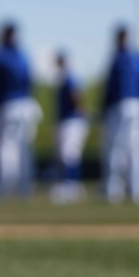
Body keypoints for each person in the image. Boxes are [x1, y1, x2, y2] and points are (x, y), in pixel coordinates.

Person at [0, 21, 41, 200]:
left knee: (7, 148)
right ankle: (25, 189)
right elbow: (32, 82)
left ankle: (4, 189)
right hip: (26, 105)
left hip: (9, 105)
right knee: (24, 149)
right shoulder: (23, 55)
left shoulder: (1, 56)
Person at [101, 25, 139, 204]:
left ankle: (114, 189)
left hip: (121, 105)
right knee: (137, 150)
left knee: (115, 148)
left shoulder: (118, 57)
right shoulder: (138, 58)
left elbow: (111, 87)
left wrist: (104, 107)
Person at [51, 50, 89, 204]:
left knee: (70, 154)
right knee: (64, 155)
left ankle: (72, 186)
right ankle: (69, 185)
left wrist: (81, 109)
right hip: (66, 121)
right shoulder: (61, 78)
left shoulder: (70, 77)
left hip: (73, 121)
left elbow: (77, 95)